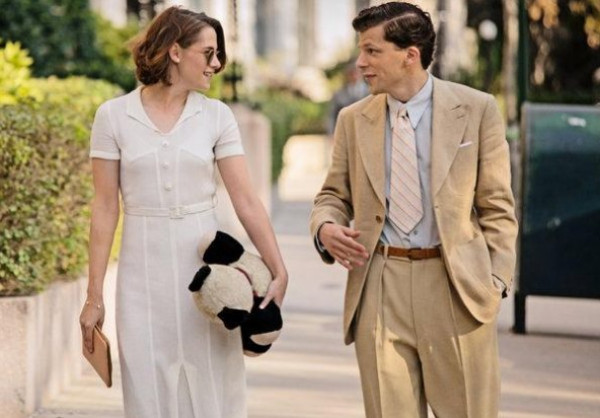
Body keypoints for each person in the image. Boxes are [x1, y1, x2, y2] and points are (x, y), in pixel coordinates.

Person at [309, 3, 518, 417]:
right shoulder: (353, 119)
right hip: (379, 283)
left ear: (410, 55)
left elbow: (497, 207)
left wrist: (494, 282)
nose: (360, 62)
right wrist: (325, 228)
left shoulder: (477, 109)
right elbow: (332, 196)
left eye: (372, 51)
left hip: (455, 285)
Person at [79, 7, 288, 418]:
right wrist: (94, 295)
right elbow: (104, 208)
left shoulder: (217, 116)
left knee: (214, 388)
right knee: (147, 390)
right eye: (208, 53)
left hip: (210, 278)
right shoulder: (113, 116)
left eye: (218, 54)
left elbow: (246, 199)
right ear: (175, 52)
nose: (217, 64)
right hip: (141, 276)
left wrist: (279, 269)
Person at [328, 62, 369, 136]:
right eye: (351, 74)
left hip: (366, 131)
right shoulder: (339, 94)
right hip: (345, 131)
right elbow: (332, 115)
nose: (354, 76)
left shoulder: (370, 91)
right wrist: (331, 133)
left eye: (356, 73)